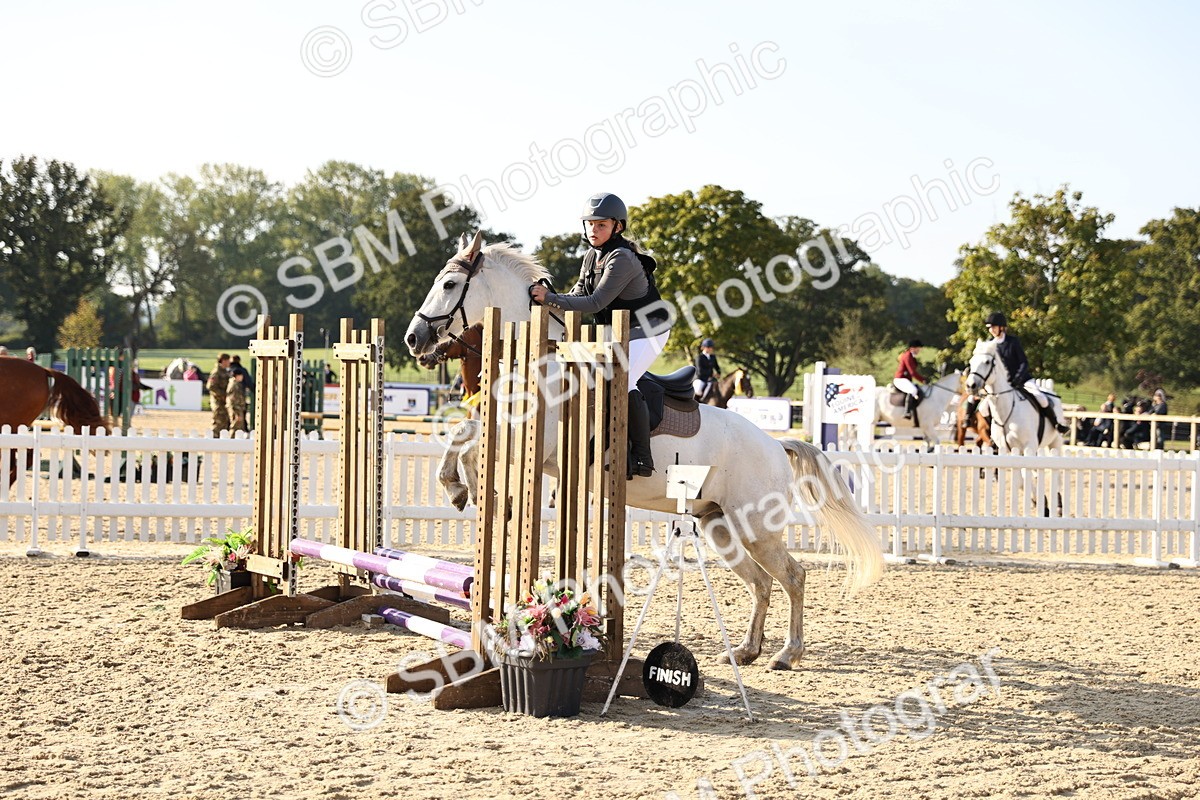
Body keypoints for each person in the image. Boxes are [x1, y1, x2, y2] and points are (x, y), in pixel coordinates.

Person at [529, 192, 672, 479]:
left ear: (617, 227)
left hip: (650, 329)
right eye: (590, 224)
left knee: (624, 378)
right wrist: (548, 297)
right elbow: (577, 295)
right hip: (618, 331)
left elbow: (595, 303)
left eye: (601, 225)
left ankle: (643, 457)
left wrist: (550, 297)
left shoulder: (622, 258)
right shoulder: (592, 257)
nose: (593, 231)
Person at [982, 312, 1069, 434]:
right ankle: (994, 432)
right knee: (983, 408)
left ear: (1001, 327)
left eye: (993, 327)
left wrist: (1017, 378)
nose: (991, 330)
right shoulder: (989, 345)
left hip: (1022, 380)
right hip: (1002, 385)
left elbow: (1023, 363)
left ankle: (1056, 424)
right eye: (990, 328)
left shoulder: (1013, 342)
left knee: (1041, 398)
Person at [893, 339, 926, 420]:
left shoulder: (911, 356)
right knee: (913, 390)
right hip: (900, 379)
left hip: (905, 379)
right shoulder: (907, 356)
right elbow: (912, 372)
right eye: (918, 349)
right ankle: (907, 412)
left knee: (916, 389)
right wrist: (923, 380)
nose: (919, 351)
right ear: (913, 348)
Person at [207, 353, 231, 436]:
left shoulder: (226, 371)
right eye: (228, 360)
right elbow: (211, 386)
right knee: (218, 422)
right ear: (223, 361)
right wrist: (222, 395)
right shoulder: (216, 372)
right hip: (218, 402)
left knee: (225, 422)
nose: (229, 362)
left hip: (224, 402)